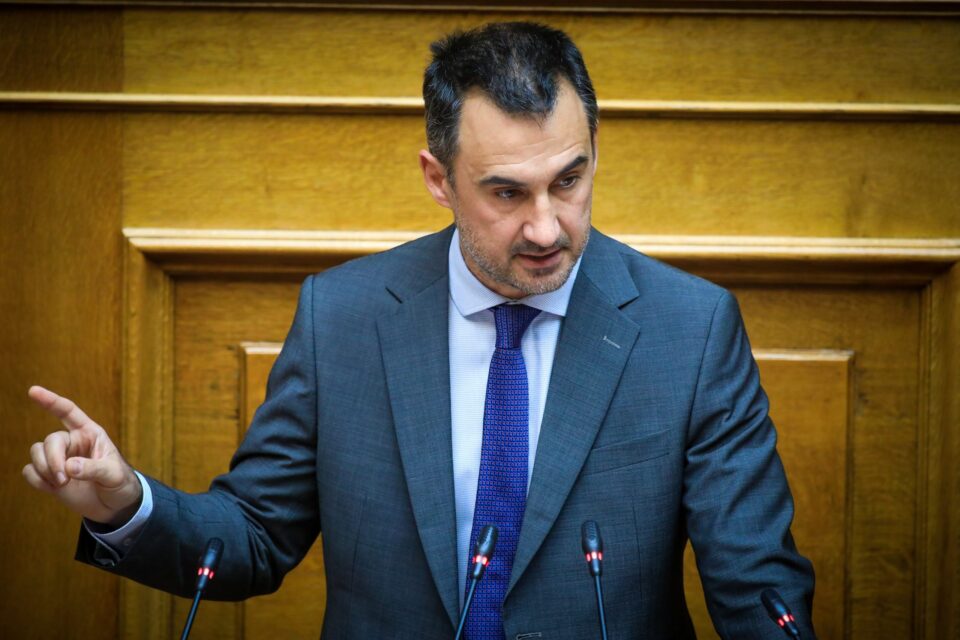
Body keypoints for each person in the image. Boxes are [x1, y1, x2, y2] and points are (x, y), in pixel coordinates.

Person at [23, 21, 815, 639]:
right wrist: (126, 504)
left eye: (569, 180)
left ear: (595, 151)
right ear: (439, 179)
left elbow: (757, 587)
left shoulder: (690, 330)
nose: (547, 227)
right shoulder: (343, 318)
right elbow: (256, 537)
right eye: (506, 193)